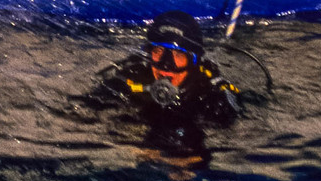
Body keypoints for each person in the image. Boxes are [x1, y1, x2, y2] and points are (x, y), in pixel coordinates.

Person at [91, 13, 241, 141]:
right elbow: (84, 111)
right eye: (158, 51)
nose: (166, 65)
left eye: (178, 55)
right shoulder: (134, 78)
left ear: (193, 61)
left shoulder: (208, 93)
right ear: (149, 55)